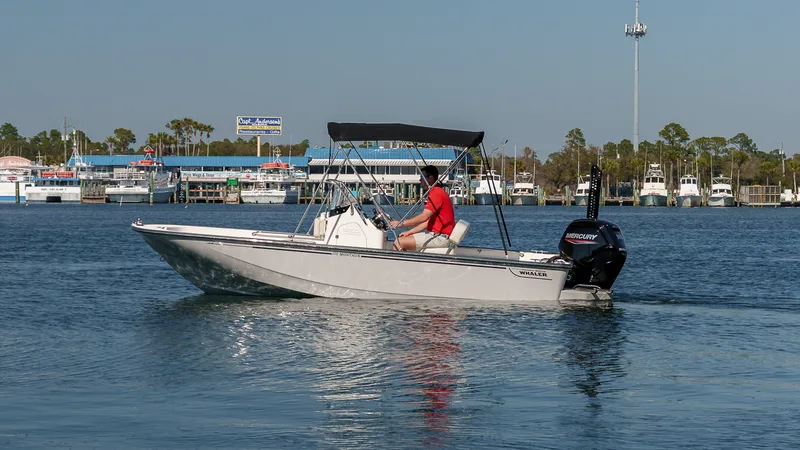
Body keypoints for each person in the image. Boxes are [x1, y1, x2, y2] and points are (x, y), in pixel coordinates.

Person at [390, 165, 456, 251]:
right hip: (439, 235)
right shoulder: (437, 191)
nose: (420, 180)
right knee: (402, 238)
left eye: (422, 177)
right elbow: (427, 222)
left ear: (430, 178)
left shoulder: (436, 193)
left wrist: (401, 223)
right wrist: (409, 232)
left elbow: (424, 217)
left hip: (440, 237)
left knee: (398, 242)